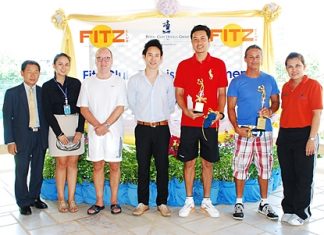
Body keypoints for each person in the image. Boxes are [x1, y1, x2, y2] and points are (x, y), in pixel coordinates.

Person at [174, 25, 228, 218]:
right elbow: (179, 93)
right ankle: (189, 200)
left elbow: (222, 92)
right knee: (188, 163)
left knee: (207, 163)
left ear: (209, 40)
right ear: (191, 42)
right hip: (189, 122)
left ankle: (206, 201)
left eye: (202, 38)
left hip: (209, 124)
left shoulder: (219, 64)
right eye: (195, 38)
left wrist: (220, 113)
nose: (199, 42)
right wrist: (186, 110)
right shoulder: (183, 65)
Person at [227, 44, 280, 221]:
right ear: (245, 59)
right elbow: (231, 107)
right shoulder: (236, 81)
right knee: (240, 166)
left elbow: (275, 103)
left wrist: (270, 111)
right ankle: (239, 202)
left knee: (265, 167)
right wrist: (236, 128)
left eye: (257, 56)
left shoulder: (270, 80)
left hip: (264, 130)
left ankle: (264, 203)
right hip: (245, 130)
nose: (254, 60)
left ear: (262, 58)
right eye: (251, 56)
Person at [127, 39, 175, 217]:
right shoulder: (134, 80)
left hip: (162, 128)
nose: (153, 59)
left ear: (161, 58)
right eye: (150, 55)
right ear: (144, 57)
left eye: (157, 55)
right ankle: (143, 202)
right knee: (143, 166)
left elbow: (171, 105)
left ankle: (162, 202)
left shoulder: (167, 80)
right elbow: (132, 104)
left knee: (163, 166)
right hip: (143, 129)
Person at [77, 47, 127, 215]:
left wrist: (105, 125)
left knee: (114, 165)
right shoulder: (88, 82)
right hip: (95, 132)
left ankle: (114, 201)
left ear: (112, 61)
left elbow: (120, 107)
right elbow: (83, 109)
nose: (103, 62)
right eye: (100, 58)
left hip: (113, 132)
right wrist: (98, 126)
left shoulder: (119, 81)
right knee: (97, 165)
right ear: (95, 61)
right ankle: (99, 201)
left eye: (107, 58)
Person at [276, 52, 323, 226]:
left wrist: (311, 139)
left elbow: (317, 115)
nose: (293, 70)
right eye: (290, 66)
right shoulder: (286, 87)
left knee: (304, 176)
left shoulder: (313, 85)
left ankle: (302, 213)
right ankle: (288, 209)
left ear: (304, 67)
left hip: (305, 134)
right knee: (288, 174)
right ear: (286, 69)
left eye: (297, 66)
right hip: (285, 135)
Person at [2, 60, 48, 215]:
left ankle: (35, 198)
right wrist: (10, 141)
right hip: (21, 138)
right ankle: (23, 202)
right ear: (22, 73)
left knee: (37, 170)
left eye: (36, 72)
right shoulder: (12, 93)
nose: (33, 75)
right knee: (21, 170)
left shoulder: (43, 92)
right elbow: (7, 118)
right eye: (29, 71)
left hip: (40, 136)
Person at [42, 53, 85, 213]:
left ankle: (71, 199)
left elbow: (82, 108)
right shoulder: (47, 86)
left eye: (66, 64)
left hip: (74, 125)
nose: (63, 67)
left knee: (73, 163)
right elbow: (47, 113)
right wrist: (59, 133)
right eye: (60, 64)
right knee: (61, 163)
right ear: (54, 66)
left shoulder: (76, 83)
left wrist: (80, 130)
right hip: (56, 127)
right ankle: (61, 199)